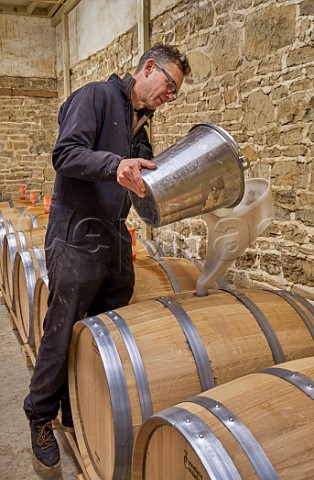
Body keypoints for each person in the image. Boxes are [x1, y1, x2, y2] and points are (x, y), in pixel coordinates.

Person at [23, 43, 191, 469]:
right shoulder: (95, 97)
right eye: (169, 85)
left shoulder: (143, 123)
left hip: (114, 237)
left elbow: (144, 172)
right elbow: (65, 154)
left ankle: (73, 404)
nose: (169, 96)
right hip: (76, 232)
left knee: (99, 334)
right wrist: (115, 164)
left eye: (175, 92)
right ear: (148, 68)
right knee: (63, 330)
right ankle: (40, 414)